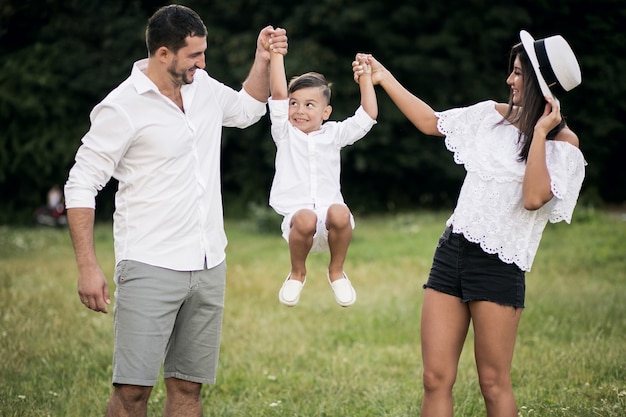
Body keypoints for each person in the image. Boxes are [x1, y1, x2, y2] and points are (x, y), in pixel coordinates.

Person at [63, 5, 287, 417]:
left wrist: (262, 60)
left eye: (204, 53)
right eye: (194, 55)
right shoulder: (122, 106)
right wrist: (87, 266)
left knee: (188, 388)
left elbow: (247, 109)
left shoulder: (201, 86)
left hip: (207, 263)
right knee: (132, 393)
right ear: (163, 54)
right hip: (149, 263)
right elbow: (80, 183)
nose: (203, 63)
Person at [353, 30, 585, 416]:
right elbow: (430, 122)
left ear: (542, 85)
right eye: (511, 72)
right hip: (451, 252)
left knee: (493, 384)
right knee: (435, 378)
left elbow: (532, 199)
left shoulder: (565, 146)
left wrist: (540, 133)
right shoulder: (488, 117)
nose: (510, 80)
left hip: (500, 266)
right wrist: (382, 75)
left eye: (518, 74)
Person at [267, 36, 377, 307]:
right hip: (298, 220)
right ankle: (297, 273)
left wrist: (365, 78)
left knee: (340, 211)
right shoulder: (284, 133)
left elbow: (368, 115)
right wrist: (276, 55)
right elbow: (279, 95)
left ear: (326, 112)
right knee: (304, 218)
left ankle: (337, 272)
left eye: (309, 105)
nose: (299, 110)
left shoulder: (334, 133)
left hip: (331, 221)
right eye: (295, 103)